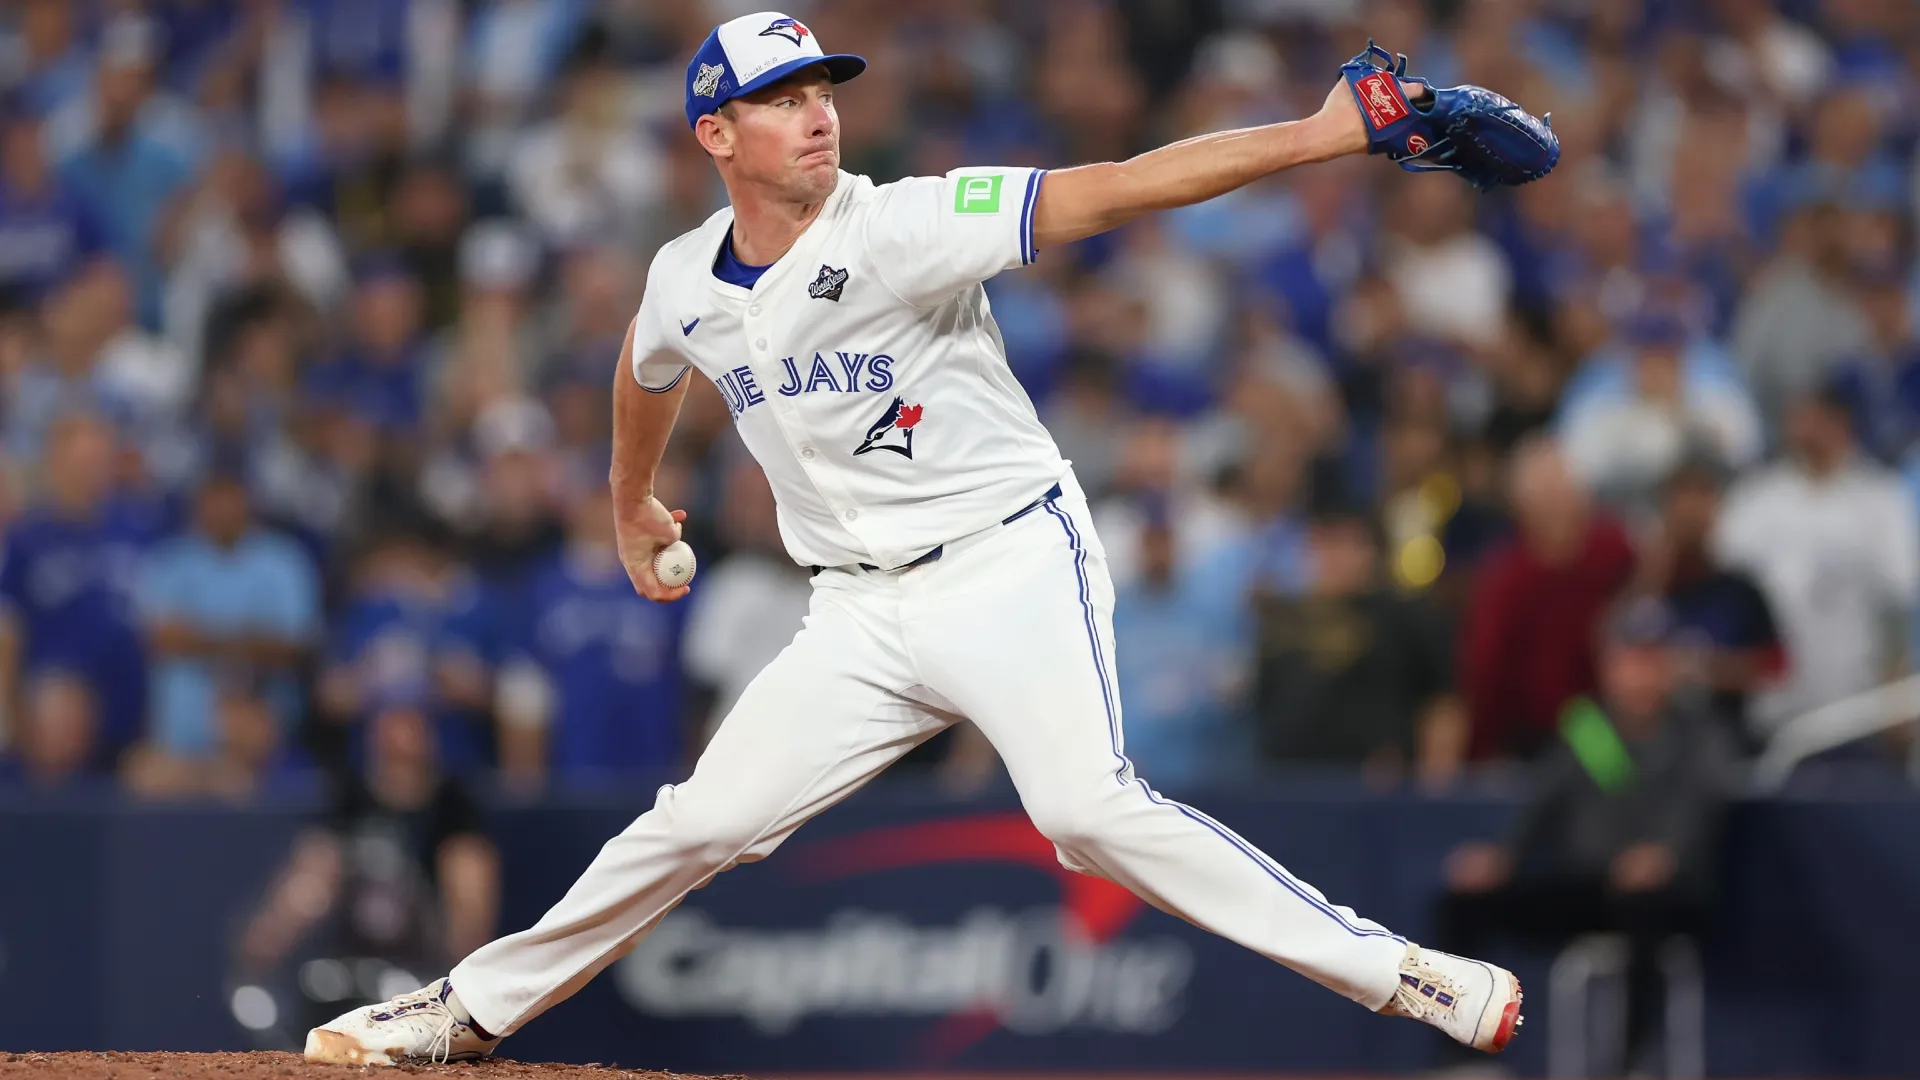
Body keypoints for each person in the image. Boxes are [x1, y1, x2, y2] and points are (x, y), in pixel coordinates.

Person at [308, 13, 1528, 1063]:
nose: (817, 114)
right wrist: (629, 498)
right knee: (702, 823)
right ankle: (466, 1010)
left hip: (1007, 561)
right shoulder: (684, 275)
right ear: (716, 134)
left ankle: (1402, 974)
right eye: (781, 98)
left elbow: (1115, 185)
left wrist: (1320, 135)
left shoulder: (902, 224)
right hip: (857, 608)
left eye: (822, 90)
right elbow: (647, 362)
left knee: (1086, 813)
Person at [1436, 598, 1739, 1072]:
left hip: (1669, 897)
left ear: (1669, 666)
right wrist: (1504, 857)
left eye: (1651, 660)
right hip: (1592, 887)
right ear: (1607, 665)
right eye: (1628, 659)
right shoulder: (1588, 727)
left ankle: (1631, 1063)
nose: (1639, 674)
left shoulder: (1700, 731)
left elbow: (1705, 805)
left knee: (1642, 907)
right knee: (1464, 902)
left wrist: (1667, 854)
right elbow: (1543, 804)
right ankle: (1462, 1058)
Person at [1461, 437, 1637, 761]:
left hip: (1618, 715)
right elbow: (1486, 671)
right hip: (1536, 735)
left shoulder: (1615, 551)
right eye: (1545, 497)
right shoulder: (1506, 578)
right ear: (1520, 507)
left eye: (1562, 492)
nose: (1557, 506)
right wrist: (1483, 750)